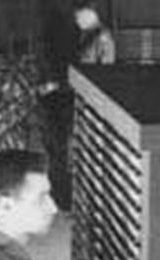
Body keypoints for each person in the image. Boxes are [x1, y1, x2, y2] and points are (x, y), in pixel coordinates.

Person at [40, 0, 116, 209]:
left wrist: (57, 85)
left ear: (90, 14)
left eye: (78, 16)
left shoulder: (102, 38)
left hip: (85, 102)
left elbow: (97, 77)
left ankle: (71, 199)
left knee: (73, 151)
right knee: (63, 149)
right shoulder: (85, 36)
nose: (76, 20)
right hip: (73, 100)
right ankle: (65, 198)